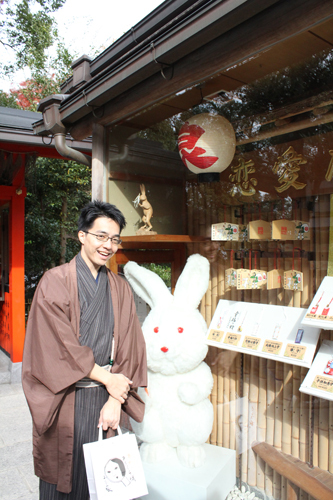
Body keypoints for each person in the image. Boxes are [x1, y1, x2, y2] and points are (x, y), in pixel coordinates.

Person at [22, 200, 147, 499]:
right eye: (101, 236)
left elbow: (130, 345)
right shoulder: (56, 281)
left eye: (114, 239)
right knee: (63, 480)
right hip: (66, 399)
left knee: (105, 482)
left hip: (107, 401)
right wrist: (109, 380)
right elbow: (57, 347)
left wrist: (117, 399)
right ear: (82, 235)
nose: (108, 245)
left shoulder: (120, 287)